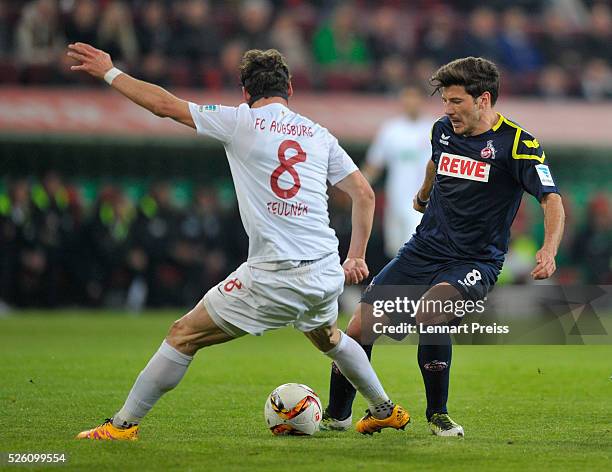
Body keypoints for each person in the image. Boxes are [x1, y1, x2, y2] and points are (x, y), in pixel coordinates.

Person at [66, 42, 410, 440]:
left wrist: (110, 72)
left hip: (274, 275)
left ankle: (122, 426)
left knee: (183, 335)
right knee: (328, 337)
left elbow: (164, 105)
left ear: (245, 92)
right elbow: (364, 194)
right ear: (291, 90)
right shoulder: (319, 135)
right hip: (324, 270)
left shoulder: (240, 121)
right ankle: (384, 409)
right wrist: (356, 257)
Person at [322, 57, 565, 436]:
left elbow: (551, 200)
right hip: (423, 249)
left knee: (431, 312)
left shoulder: (519, 145)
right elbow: (437, 161)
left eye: (456, 102)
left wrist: (549, 250)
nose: (448, 111)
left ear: (483, 100)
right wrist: (422, 194)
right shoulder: (442, 130)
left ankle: (438, 415)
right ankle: (335, 417)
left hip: (475, 260)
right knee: (357, 327)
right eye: (445, 102)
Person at [362, 85, 432, 259]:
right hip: (395, 201)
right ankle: (400, 286)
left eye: (414, 97)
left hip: (421, 204)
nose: (411, 102)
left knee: (415, 250)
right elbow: (374, 165)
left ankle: (419, 287)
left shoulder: (433, 129)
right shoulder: (391, 129)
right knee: (395, 251)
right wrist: (358, 188)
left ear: (422, 100)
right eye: (407, 97)